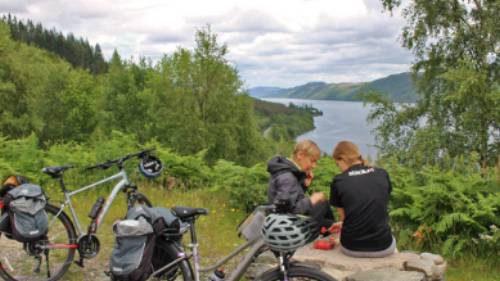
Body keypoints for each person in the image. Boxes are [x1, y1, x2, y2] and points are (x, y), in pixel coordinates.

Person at [330, 141, 396, 257]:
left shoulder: (339, 180)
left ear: (342, 159)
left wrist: (344, 223)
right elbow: (379, 205)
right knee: (392, 238)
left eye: (337, 164)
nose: (339, 168)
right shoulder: (382, 173)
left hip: (350, 247)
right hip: (383, 247)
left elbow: (344, 217)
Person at [267, 139, 334, 228]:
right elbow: (286, 210)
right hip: (287, 225)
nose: (314, 166)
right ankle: (332, 231)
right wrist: (311, 200)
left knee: (327, 221)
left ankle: (331, 228)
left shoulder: (286, 171)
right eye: (312, 161)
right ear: (300, 155)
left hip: (287, 220)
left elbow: (290, 197)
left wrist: (304, 185)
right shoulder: (287, 177)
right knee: (323, 204)